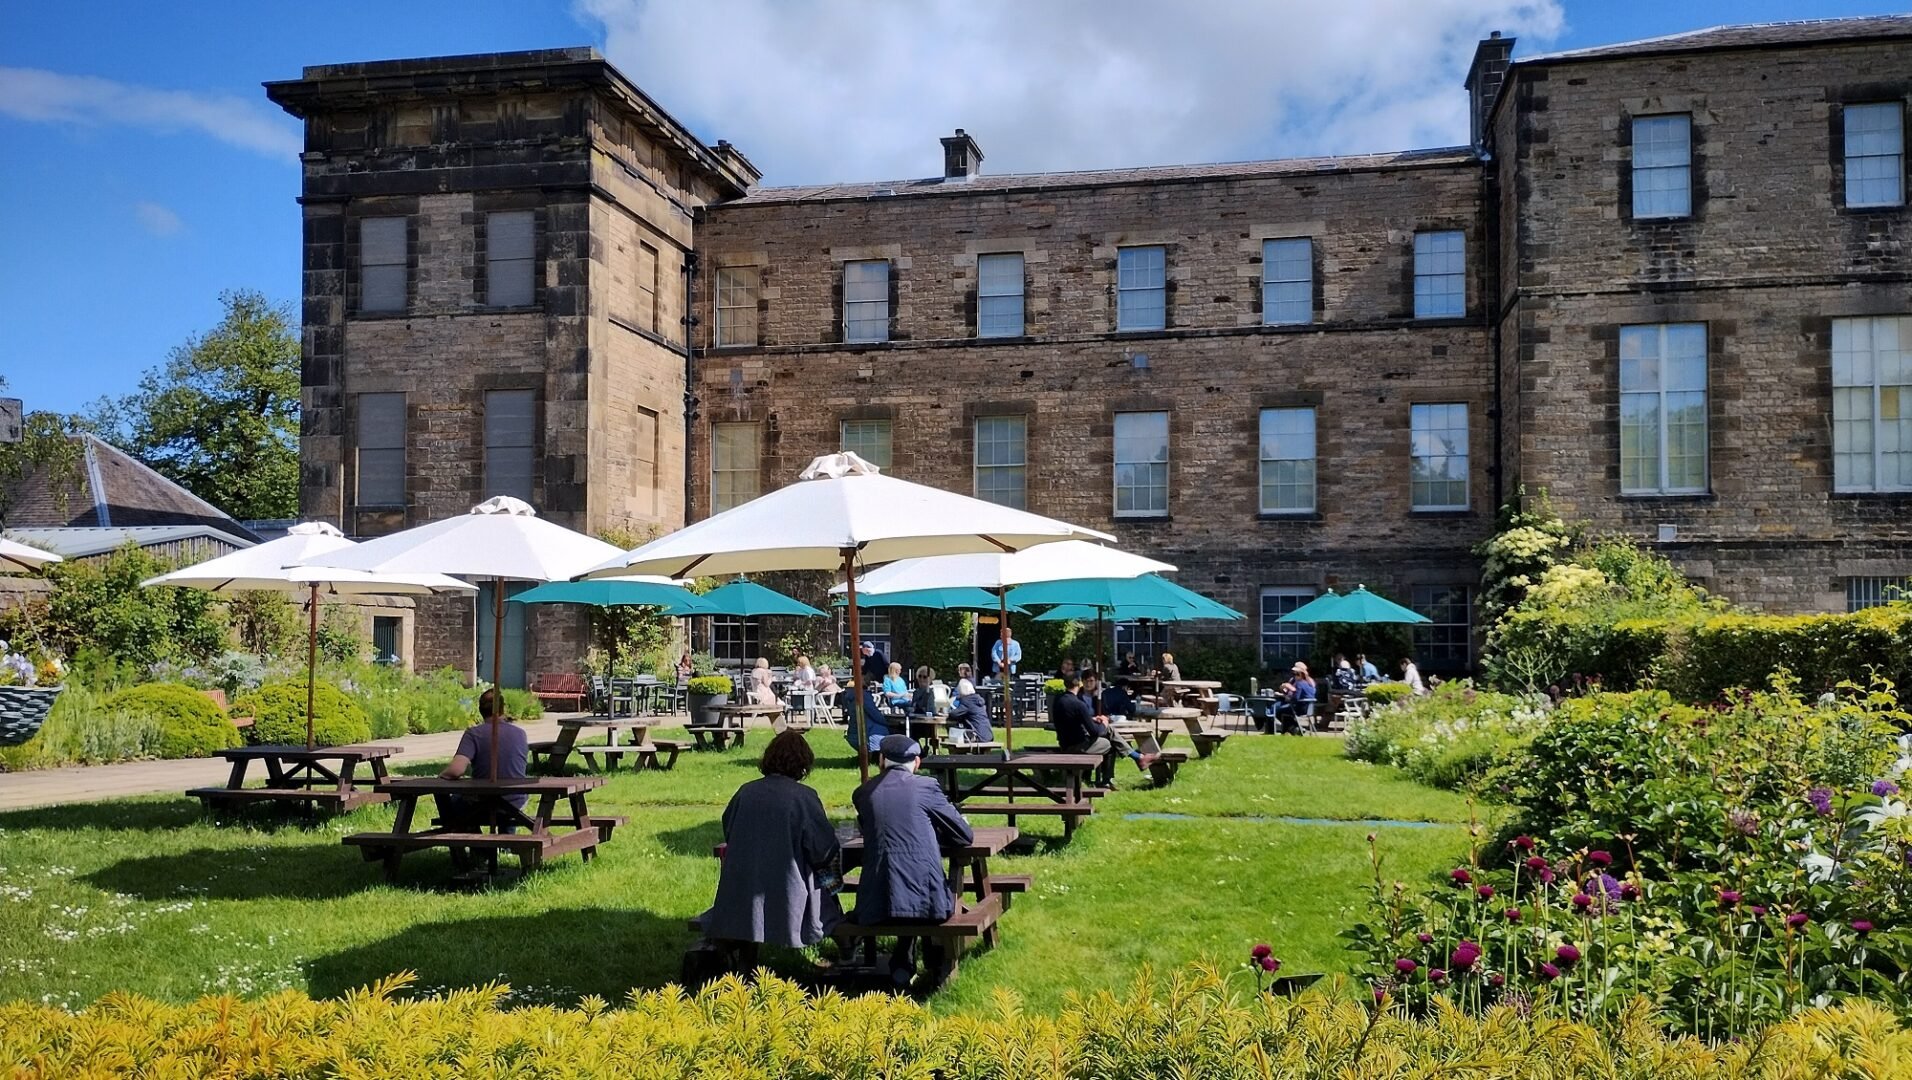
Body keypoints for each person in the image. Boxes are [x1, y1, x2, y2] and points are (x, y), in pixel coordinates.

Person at [699, 730, 842, 966]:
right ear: (803, 763)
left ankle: (745, 959)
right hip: (789, 894)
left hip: (743, 890)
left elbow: (729, 830)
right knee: (829, 881)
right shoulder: (804, 798)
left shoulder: (746, 792)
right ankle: (847, 945)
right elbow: (822, 849)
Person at [851, 734, 973, 990]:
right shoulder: (926, 787)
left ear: (881, 760)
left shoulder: (863, 794)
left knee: (903, 892)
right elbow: (963, 835)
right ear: (917, 762)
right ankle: (927, 958)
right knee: (918, 891)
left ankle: (905, 959)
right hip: (927, 900)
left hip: (876, 900)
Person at [436, 688, 528, 870]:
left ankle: (473, 847)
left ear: (480, 710)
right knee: (502, 798)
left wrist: (442, 775)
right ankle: (505, 844)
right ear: (503, 709)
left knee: (454, 803)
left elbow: (457, 770)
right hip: (516, 802)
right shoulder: (520, 734)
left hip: (484, 803)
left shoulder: (474, 734)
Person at [1053, 670, 1157, 786]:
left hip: (1065, 743)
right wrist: (1104, 723)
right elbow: (1095, 732)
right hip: (1077, 747)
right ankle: (1109, 779)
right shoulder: (1078, 704)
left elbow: (1071, 719)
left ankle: (1138, 758)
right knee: (1109, 743)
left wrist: (1091, 719)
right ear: (1079, 684)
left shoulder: (1059, 700)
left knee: (1110, 734)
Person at [845, 681, 891, 754]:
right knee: (895, 730)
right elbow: (875, 715)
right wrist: (888, 723)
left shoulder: (851, 697)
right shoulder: (863, 696)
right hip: (866, 736)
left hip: (853, 734)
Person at [945, 676, 991, 744]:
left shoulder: (967, 701)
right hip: (988, 735)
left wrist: (947, 712)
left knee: (954, 734)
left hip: (977, 736)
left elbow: (954, 714)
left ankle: (956, 753)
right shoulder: (977, 699)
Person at [1276, 662, 1317, 735]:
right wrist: (1285, 690)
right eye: (1294, 674)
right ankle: (1294, 729)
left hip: (1300, 708)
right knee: (1282, 709)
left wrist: (1288, 693)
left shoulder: (1300, 683)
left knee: (1278, 710)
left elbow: (1295, 698)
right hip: (1308, 708)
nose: (1295, 676)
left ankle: (1294, 729)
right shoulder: (1310, 683)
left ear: (1302, 674)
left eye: (1297, 674)